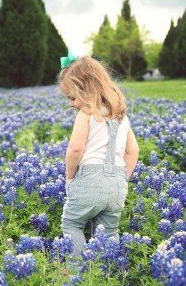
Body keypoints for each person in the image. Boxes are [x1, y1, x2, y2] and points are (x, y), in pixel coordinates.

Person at [58, 53, 139, 265]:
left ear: (86, 90)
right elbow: (133, 151)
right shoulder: (122, 116)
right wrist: (122, 177)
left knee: (72, 224)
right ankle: (106, 273)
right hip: (117, 185)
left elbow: (75, 149)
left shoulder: (86, 114)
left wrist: (70, 176)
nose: (71, 104)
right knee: (108, 232)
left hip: (88, 182)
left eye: (72, 98)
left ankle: (76, 274)